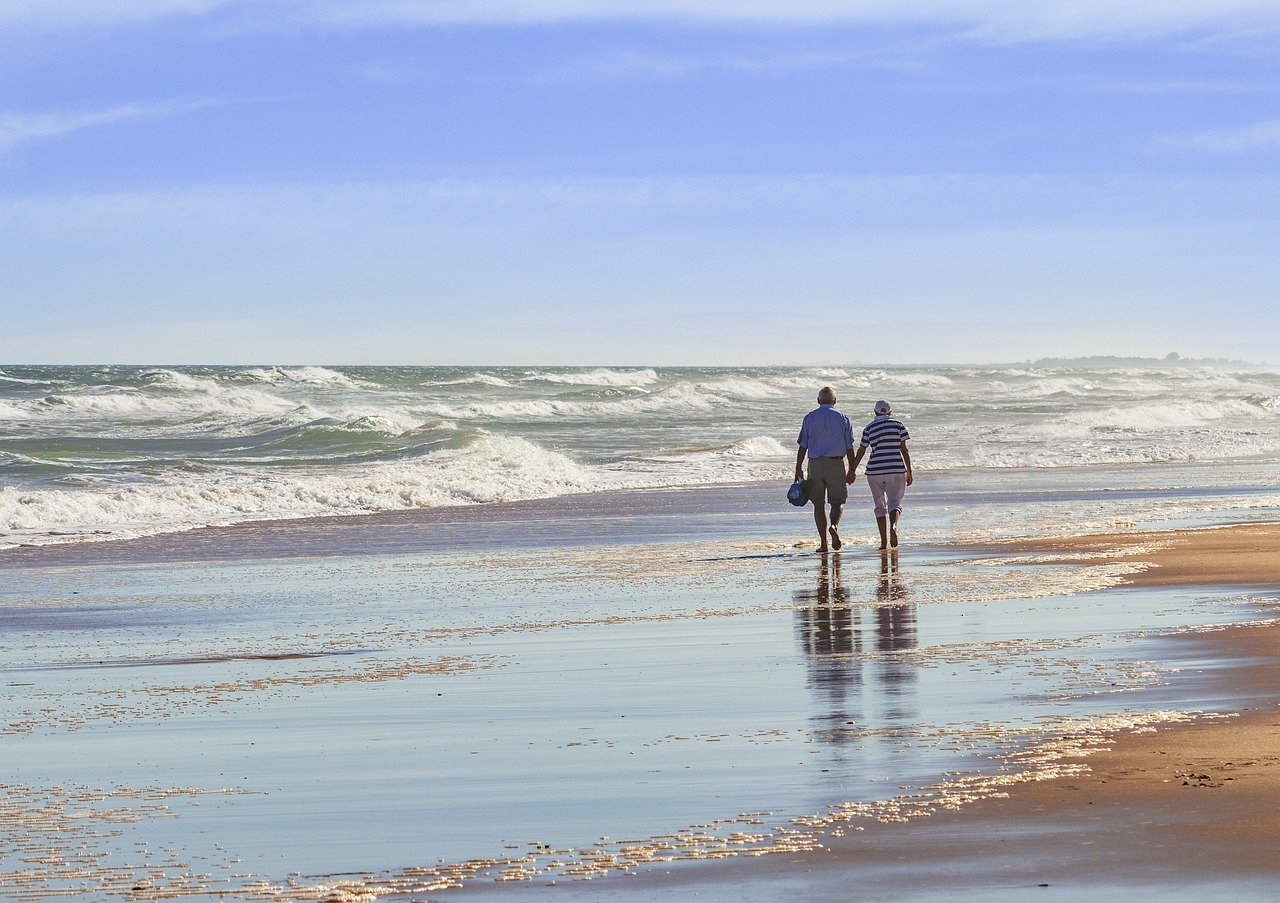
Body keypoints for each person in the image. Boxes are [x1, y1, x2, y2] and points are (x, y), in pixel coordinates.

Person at [794, 386, 857, 553]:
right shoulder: (844, 418)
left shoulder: (809, 418)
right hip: (836, 464)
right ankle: (834, 526)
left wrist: (798, 468)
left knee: (818, 504)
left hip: (815, 464)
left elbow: (803, 446)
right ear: (834, 401)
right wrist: (852, 469)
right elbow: (850, 448)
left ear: (818, 401)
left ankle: (823, 544)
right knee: (838, 501)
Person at [848, 400, 913, 551]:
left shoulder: (869, 428)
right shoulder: (898, 425)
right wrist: (909, 471)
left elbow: (862, 451)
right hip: (896, 468)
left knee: (879, 506)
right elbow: (905, 450)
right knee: (895, 503)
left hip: (874, 471)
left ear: (875, 412)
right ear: (890, 412)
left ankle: (883, 543)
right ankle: (894, 526)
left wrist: (852, 470)